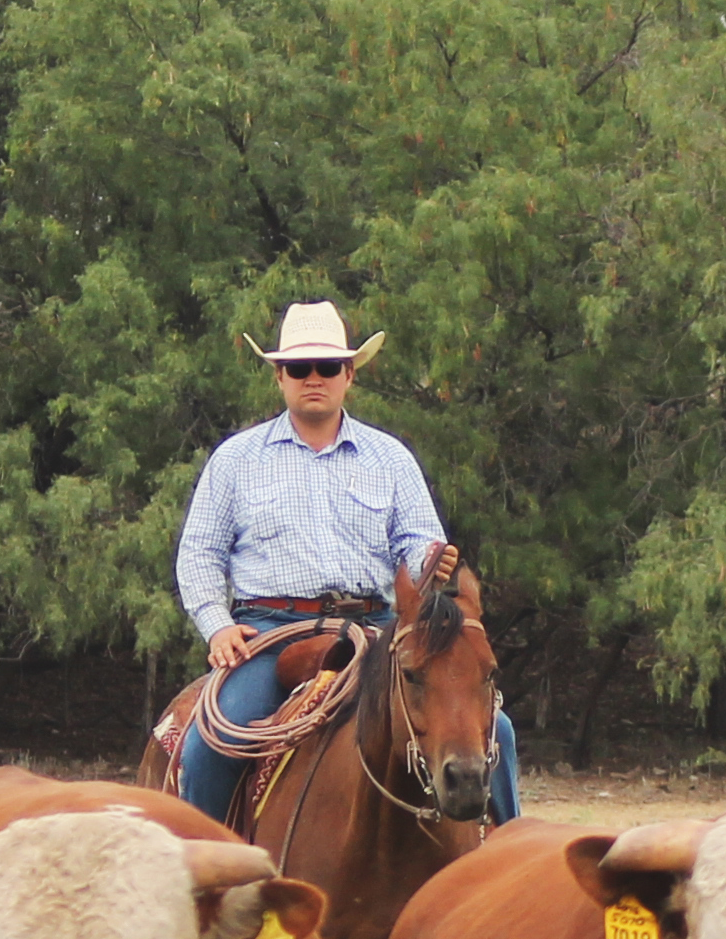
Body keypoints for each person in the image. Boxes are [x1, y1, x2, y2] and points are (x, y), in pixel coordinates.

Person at [170, 300, 516, 825]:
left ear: (348, 374)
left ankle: (503, 861)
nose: (315, 378)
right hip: (270, 632)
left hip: (375, 629)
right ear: (279, 377)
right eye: (299, 368)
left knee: (499, 732)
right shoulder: (236, 460)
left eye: (328, 367)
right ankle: (205, 879)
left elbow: (420, 543)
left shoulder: (391, 458)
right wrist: (219, 629)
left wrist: (430, 562)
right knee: (211, 745)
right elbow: (198, 553)